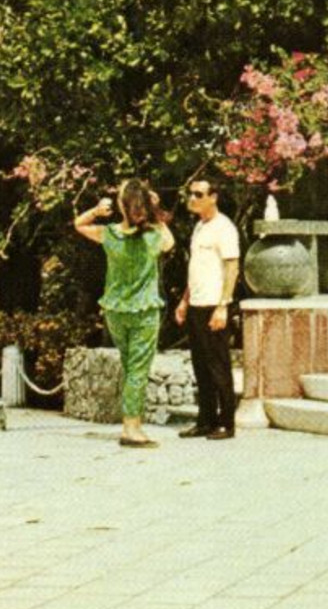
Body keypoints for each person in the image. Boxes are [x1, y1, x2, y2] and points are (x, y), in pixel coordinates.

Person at [74, 179, 175, 447]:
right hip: (144, 310)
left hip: (115, 310)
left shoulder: (110, 234)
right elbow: (169, 243)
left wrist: (96, 210)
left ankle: (130, 423)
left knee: (130, 366)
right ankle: (131, 427)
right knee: (137, 370)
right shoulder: (153, 235)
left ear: (121, 205)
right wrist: (154, 209)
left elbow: (79, 224)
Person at [174, 167, 240, 440]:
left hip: (215, 304)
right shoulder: (200, 227)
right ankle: (205, 420)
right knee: (201, 367)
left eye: (199, 194)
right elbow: (196, 269)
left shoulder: (224, 227)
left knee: (219, 367)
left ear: (213, 197)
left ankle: (226, 423)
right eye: (191, 194)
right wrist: (184, 301)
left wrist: (224, 305)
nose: (193, 199)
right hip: (197, 304)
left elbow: (232, 267)